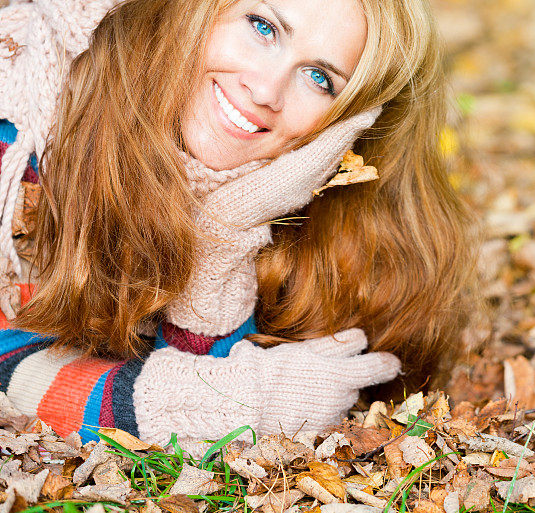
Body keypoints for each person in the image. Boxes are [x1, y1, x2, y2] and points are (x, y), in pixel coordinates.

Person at [0, 0, 474, 452]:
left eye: (319, 79)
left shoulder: (291, 192)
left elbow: (191, 362)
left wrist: (226, 229)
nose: (267, 91)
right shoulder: (27, 113)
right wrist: (235, 403)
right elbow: (7, 366)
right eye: (262, 27)